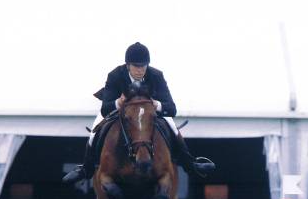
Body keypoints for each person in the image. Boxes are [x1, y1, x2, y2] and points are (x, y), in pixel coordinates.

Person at [63, 42, 215, 184]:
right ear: (128, 65)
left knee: (173, 127)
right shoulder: (115, 75)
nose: (140, 70)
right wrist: (118, 102)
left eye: (143, 66)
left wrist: (157, 105)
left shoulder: (156, 75)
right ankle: (86, 169)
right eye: (136, 66)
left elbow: (172, 108)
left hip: (148, 112)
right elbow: (105, 109)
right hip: (119, 110)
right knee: (94, 131)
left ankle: (190, 164)